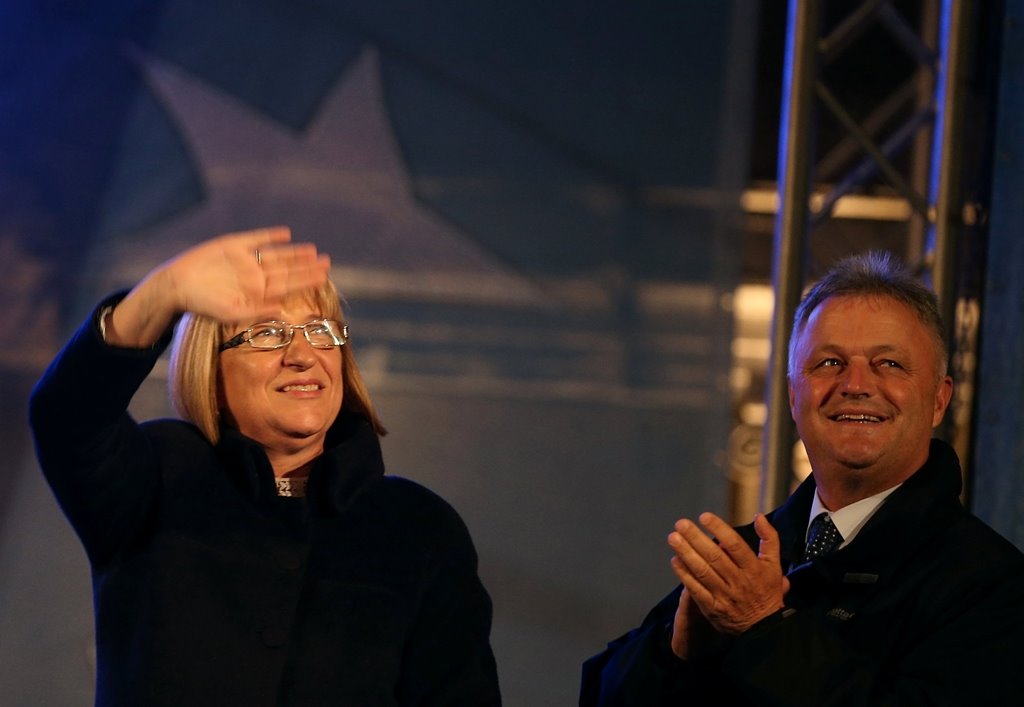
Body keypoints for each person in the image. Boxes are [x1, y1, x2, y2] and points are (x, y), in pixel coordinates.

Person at [29, 227, 501, 706]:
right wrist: (161, 294)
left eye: (320, 330)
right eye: (268, 333)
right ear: (210, 368)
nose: (303, 355)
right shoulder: (157, 478)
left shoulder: (416, 527)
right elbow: (67, 418)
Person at [580, 251, 1024, 706]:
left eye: (888, 364)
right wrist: (674, 655)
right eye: (829, 363)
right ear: (794, 397)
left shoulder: (991, 584)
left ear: (938, 400)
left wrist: (764, 628)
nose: (855, 384)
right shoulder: (742, 562)